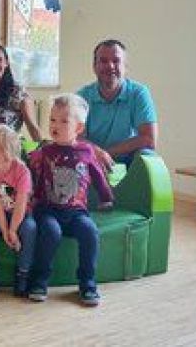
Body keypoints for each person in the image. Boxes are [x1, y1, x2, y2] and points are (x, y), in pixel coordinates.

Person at [28, 94, 114, 306]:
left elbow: (97, 175)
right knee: (51, 232)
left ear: (78, 128)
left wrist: (106, 197)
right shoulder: (45, 151)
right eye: (52, 120)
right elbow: (33, 176)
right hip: (48, 210)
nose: (55, 125)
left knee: (90, 232)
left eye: (64, 121)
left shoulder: (86, 151)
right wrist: (30, 199)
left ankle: (87, 283)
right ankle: (39, 281)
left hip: (76, 212)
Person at [77, 39, 157, 169]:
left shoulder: (138, 93)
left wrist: (106, 154)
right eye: (103, 61)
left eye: (116, 61)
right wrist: (97, 153)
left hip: (129, 163)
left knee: (148, 156)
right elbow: (75, 137)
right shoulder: (82, 97)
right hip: (91, 161)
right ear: (94, 67)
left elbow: (149, 139)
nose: (110, 66)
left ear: (125, 67)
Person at [0, 124, 36, 297]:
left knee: (30, 229)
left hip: (20, 212)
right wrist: (4, 230)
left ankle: (23, 275)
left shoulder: (22, 171)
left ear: (6, 156)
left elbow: (21, 203)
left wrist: (13, 229)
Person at [0, 43, 42, 142]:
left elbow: (33, 128)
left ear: (6, 63)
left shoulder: (18, 92)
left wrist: (43, 150)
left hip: (9, 147)